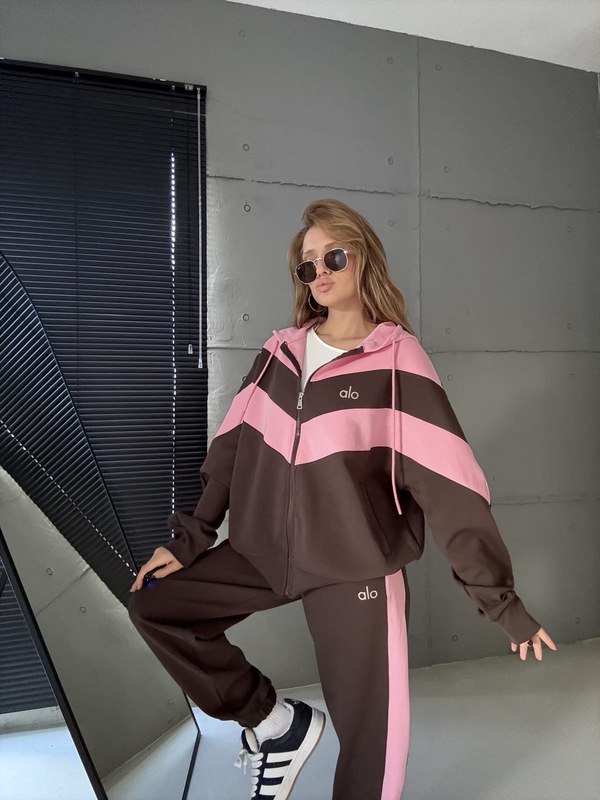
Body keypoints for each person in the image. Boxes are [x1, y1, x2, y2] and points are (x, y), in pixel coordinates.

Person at [126, 198, 556, 800]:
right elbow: (230, 452)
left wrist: (499, 600)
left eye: (333, 257)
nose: (319, 273)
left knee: (370, 736)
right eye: (307, 265)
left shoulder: (398, 360)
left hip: (353, 566)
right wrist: (190, 539)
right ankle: (274, 724)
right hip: (262, 550)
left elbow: (450, 485)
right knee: (155, 606)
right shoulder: (278, 354)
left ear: (363, 258)